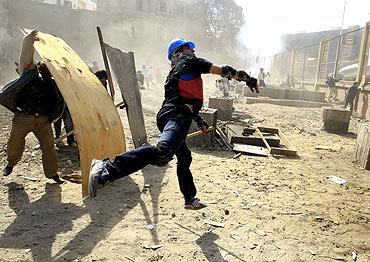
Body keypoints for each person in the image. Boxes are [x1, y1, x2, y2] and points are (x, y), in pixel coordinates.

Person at [87, 37, 258, 209]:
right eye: (188, 48)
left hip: (171, 114)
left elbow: (182, 97)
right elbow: (224, 70)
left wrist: (198, 120)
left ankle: (190, 198)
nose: (193, 51)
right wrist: (247, 78)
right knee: (162, 154)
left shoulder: (176, 72)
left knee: (185, 156)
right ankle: (106, 167)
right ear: (179, 52)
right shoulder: (190, 62)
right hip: (177, 116)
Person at [1, 30, 65, 183]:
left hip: (43, 120)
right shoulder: (29, 74)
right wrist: (28, 41)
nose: (46, 65)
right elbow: (26, 58)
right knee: (15, 142)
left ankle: (52, 174)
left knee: (49, 147)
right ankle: (10, 163)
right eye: (45, 63)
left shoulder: (52, 82)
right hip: (23, 117)